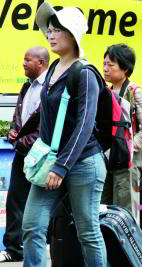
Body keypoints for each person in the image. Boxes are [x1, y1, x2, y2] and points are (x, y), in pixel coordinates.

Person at [22, 3, 108, 266]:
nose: (51, 34)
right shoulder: (50, 72)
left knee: (88, 233)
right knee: (32, 225)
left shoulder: (85, 73)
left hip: (83, 163)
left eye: (58, 29)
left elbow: (84, 125)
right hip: (50, 163)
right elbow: (47, 121)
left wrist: (61, 167)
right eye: (49, 29)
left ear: (73, 34)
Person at [0, 47, 49, 263]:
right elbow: (19, 115)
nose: (23, 63)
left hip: (41, 156)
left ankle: (49, 245)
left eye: (27, 60)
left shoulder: (50, 88)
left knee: (42, 204)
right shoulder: (26, 87)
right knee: (15, 200)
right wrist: (13, 131)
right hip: (22, 152)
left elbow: (46, 126)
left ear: (41, 62)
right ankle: (13, 248)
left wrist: (21, 141)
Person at [101, 43, 142, 216]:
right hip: (107, 159)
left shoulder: (135, 92)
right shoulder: (105, 92)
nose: (105, 69)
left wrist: (128, 148)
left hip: (127, 161)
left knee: (125, 211)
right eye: (104, 64)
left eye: (111, 65)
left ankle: (126, 243)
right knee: (104, 208)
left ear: (125, 68)